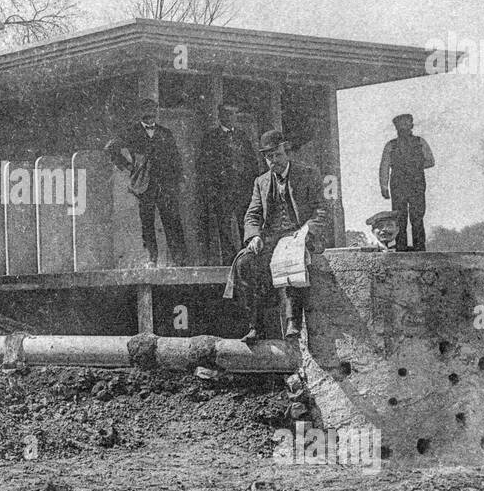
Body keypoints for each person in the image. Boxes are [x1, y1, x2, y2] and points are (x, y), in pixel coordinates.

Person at [224, 130, 328, 340]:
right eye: (269, 157)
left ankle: (293, 322)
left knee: (290, 257)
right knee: (245, 262)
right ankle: (255, 326)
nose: (274, 161)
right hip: (271, 237)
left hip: (300, 234)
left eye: (277, 155)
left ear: (286, 151)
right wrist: (254, 236)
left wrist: (307, 230)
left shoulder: (307, 173)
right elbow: (252, 215)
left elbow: (321, 210)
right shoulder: (261, 182)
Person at [105, 98, 187, 267]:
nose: (150, 116)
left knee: (171, 221)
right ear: (141, 113)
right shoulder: (132, 132)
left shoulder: (166, 133)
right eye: (146, 112)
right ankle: (152, 258)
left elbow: (176, 159)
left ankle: (179, 259)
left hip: (165, 185)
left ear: (156, 113)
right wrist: (128, 166)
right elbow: (110, 148)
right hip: (145, 185)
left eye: (153, 112)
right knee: (147, 223)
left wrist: (178, 180)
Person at [197, 102, 256, 265]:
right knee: (224, 228)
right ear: (220, 116)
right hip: (222, 191)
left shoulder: (242, 137)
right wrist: (211, 189)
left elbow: (252, 163)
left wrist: (253, 187)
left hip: (242, 190)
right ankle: (231, 261)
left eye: (234, 114)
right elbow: (204, 165)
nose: (231, 118)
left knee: (246, 224)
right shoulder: (211, 137)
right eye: (227, 114)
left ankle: (247, 259)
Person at [379, 113, 435, 251]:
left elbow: (431, 161)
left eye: (406, 124)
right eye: (400, 125)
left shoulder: (420, 142)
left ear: (411, 126)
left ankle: (419, 247)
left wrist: (415, 166)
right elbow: (384, 166)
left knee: (417, 216)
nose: (403, 127)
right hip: (398, 184)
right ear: (396, 127)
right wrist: (384, 186)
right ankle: (401, 246)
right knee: (399, 217)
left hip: (416, 183)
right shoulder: (390, 145)